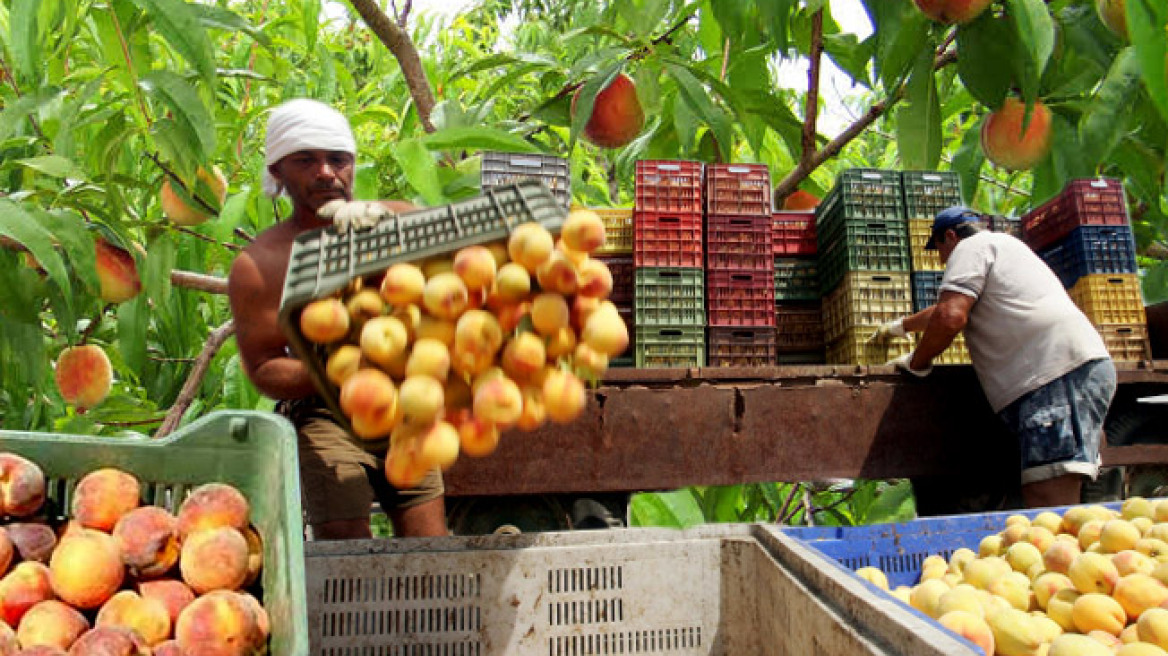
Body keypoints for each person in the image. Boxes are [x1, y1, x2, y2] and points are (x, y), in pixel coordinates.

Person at [227, 98, 447, 540]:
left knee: (431, 548)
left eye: (338, 159)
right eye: (306, 161)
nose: (326, 172)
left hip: (403, 409)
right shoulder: (261, 264)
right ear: (278, 172)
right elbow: (265, 369)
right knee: (347, 554)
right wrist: (345, 368)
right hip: (325, 416)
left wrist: (395, 234)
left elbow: (468, 257)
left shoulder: (395, 219)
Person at [869, 205, 1117, 508]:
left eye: (940, 250)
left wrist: (917, 363)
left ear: (950, 236)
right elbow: (946, 311)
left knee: (1048, 502)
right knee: (1059, 494)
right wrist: (900, 327)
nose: (941, 260)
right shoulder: (1006, 246)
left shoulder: (970, 248)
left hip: (1054, 378)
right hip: (1070, 371)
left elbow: (950, 316)